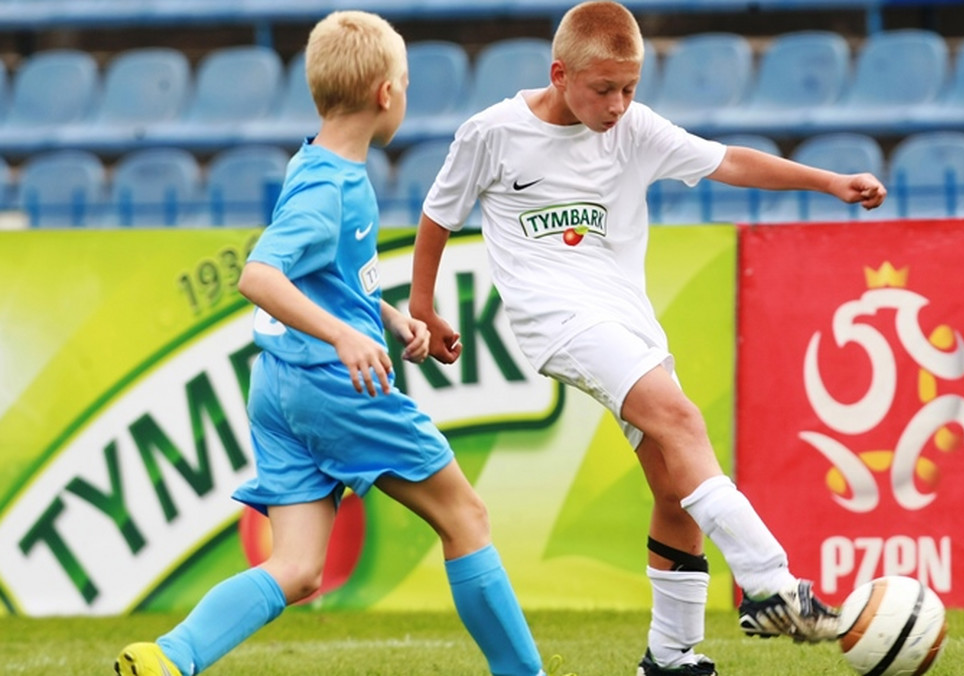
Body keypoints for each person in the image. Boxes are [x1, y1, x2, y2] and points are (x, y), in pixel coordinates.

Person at [409, 2, 887, 674]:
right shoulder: (491, 132)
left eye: (629, 89)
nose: (617, 104)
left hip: (627, 319)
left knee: (673, 482)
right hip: (556, 319)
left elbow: (731, 163)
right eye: (604, 89)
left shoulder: (632, 129)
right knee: (682, 420)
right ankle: (772, 583)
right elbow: (437, 215)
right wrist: (423, 309)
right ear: (560, 72)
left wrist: (828, 181)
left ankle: (669, 657)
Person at [114, 11, 558, 676]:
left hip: (280, 386)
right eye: (405, 82)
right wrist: (347, 336)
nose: (405, 94)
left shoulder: (315, 163)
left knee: (295, 569)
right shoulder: (332, 187)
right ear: (386, 94)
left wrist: (385, 317)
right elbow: (258, 276)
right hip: (331, 385)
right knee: (465, 516)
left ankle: (169, 659)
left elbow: (323, 280)